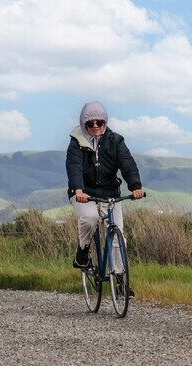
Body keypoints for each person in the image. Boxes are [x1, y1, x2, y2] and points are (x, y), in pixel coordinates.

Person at [65, 101, 144, 295]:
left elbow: (127, 163)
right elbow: (74, 167)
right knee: (90, 219)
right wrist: (78, 190)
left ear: (105, 122)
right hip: (84, 194)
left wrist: (136, 186)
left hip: (110, 193)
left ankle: (120, 282)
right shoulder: (76, 142)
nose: (95, 127)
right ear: (84, 124)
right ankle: (83, 250)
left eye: (99, 122)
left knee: (119, 238)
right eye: (90, 123)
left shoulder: (115, 141)